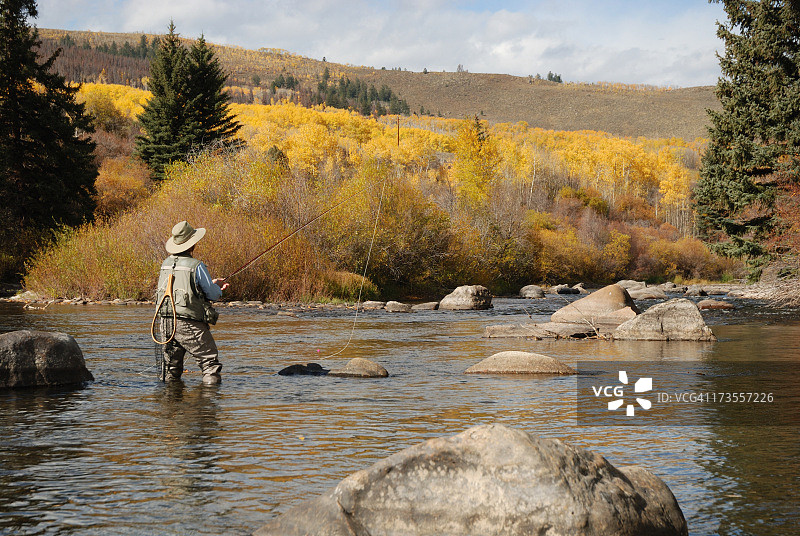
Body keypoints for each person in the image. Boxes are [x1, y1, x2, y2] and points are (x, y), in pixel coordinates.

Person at [155, 221, 229, 385]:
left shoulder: (165, 264)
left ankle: (170, 406)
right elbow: (212, 295)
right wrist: (217, 287)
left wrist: (211, 282)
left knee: (171, 369)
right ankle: (207, 407)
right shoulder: (196, 265)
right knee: (210, 364)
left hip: (165, 322)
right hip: (188, 322)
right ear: (192, 244)